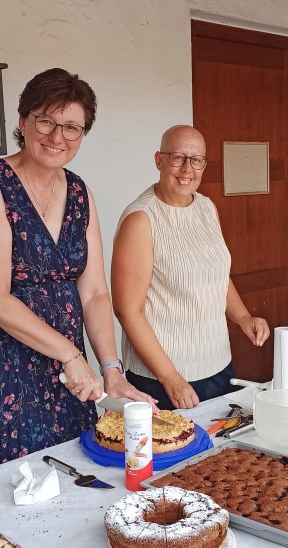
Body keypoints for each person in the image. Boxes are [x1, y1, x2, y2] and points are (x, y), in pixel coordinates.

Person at [0, 68, 154, 474]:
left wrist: (110, 369)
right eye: (46, 120)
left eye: (71, 127)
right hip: (0, 356)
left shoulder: (80, 191)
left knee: (74, 466)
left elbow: (95, 290)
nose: (56, 136)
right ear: (23, 121)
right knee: (16, 475)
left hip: (68, 361)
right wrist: (70, 354)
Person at [111, 124, 270, 410]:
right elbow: (127, 310)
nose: (187, 169)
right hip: (162, 378)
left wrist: (244, 317)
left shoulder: (207, 207)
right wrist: (170, 377)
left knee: (222, 454)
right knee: (171, 454)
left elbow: (215, 274)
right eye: (178, 158)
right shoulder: (141, 220)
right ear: (159, 160)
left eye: (196, 160)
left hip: (218, 366)